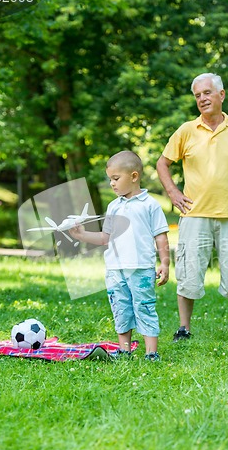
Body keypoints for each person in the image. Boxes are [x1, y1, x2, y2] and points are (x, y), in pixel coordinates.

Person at [156, 73, 228, 341]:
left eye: (207, 93)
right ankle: (184, 328)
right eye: (197, 95)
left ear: (221, 95)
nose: (202, 99)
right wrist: (173, 192)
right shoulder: (186, 130)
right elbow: (162, 163)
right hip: (194, 214)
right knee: (188, 275)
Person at [70, 150, 170, 361]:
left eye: (116, 179)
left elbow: (161, 237)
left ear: (134, 176)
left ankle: (151, 353)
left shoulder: (150, 205)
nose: (112, 184)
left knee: (144, 307)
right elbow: (105, 238)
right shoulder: (113, 206)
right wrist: (82, 235)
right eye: (110, 180)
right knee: (121, 309)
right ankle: (124, 351)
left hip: (141, 268)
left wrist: (165, 263)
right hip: (115, 269)